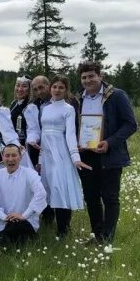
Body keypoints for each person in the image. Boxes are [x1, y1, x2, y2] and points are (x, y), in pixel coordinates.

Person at [77, 61, 138, 244]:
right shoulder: (79, 98)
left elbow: (131, 124)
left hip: (109, 155)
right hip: (86, 155)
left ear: (100, 76)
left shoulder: (116, 96)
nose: (88, 80)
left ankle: (107, 238)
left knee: (110, 197)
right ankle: (97, 236)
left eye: (91, 76)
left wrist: (109, 143)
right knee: (91, 197)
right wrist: (77, 143)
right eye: (84, 77)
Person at [39, 75, 93, 237]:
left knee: (60, 187)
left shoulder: (68, 109)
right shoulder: (45, 108)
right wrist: (41, 159)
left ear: (66, 90)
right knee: (47, 188)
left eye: (61, 87)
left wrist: (75, 157)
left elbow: (70, 134)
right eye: (54, 87)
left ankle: (63, 229)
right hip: (47, 154)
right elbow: (42, 134)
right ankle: (47, 223)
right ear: (50, 88)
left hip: (61, 153)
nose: (57, 90)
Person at [0, 144, 47, 245]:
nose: (10, 159)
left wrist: (23, 215)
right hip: (4, 221)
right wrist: (4, 217)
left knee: (13, 232)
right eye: (7, 155)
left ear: (20, 157)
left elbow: (41, 194)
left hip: (25, 221)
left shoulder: (29, 174)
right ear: (2, 157)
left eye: (14, 155)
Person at [9, 75, 40, 169]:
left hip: (26, 148)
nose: (20, 89)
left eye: (24, 86)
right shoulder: (13, 104)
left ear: (30, 89)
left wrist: (32, 140)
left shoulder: (31, 107)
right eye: (18, 85)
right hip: (13, 145)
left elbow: (34, 129)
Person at [27, 75, 51, 171]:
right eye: (35, 90)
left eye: (41, 87)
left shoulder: (64, 102)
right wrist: (32, 139)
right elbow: (33, 128)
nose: (39, 92)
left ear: (48, 85)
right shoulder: (34, 106)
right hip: (40, 150)